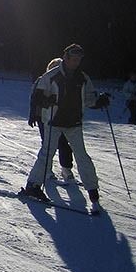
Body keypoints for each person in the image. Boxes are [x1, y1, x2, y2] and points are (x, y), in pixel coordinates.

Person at [22, 44, 109, 213]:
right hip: (53, 122)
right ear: (66, 58)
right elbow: (38, 94)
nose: (76, 62)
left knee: (82, 156)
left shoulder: (82, 78)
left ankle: (93, 192)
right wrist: (43, 102)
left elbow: (90, 98)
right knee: (47, 153)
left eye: (79, 60)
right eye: (73, 59)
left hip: (74, 123)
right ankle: (33, 185)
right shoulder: (51, 76)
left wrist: (100, 102)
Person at [28, 58, 74, 182]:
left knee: (64, 144)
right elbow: (34, 99)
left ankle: (66, 169)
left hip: (61, 118)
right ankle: (46, 170)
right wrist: (33, 115)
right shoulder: (42, 81)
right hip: (44, 118)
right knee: (48, 145)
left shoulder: (66, 82)